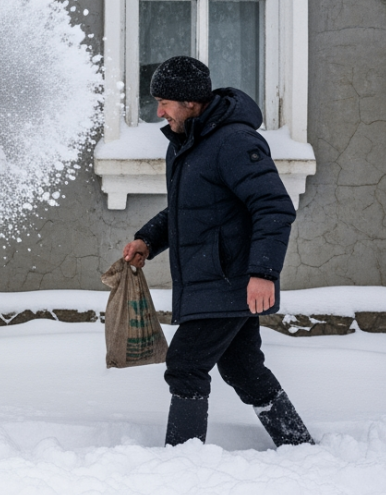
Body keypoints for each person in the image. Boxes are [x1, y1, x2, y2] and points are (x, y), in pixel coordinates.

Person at [121, 56, 314, 448]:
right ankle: (298, 446)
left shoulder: (234, 142)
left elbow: (273, 207)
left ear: (191, 102)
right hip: (214, 278)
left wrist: (263, 273)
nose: (159, 111)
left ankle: (183, 459)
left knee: (186, 365)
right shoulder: (187, 144)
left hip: (230, 279)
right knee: (243, 368)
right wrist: (149, 240)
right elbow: (189, 209)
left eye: (165, 102)